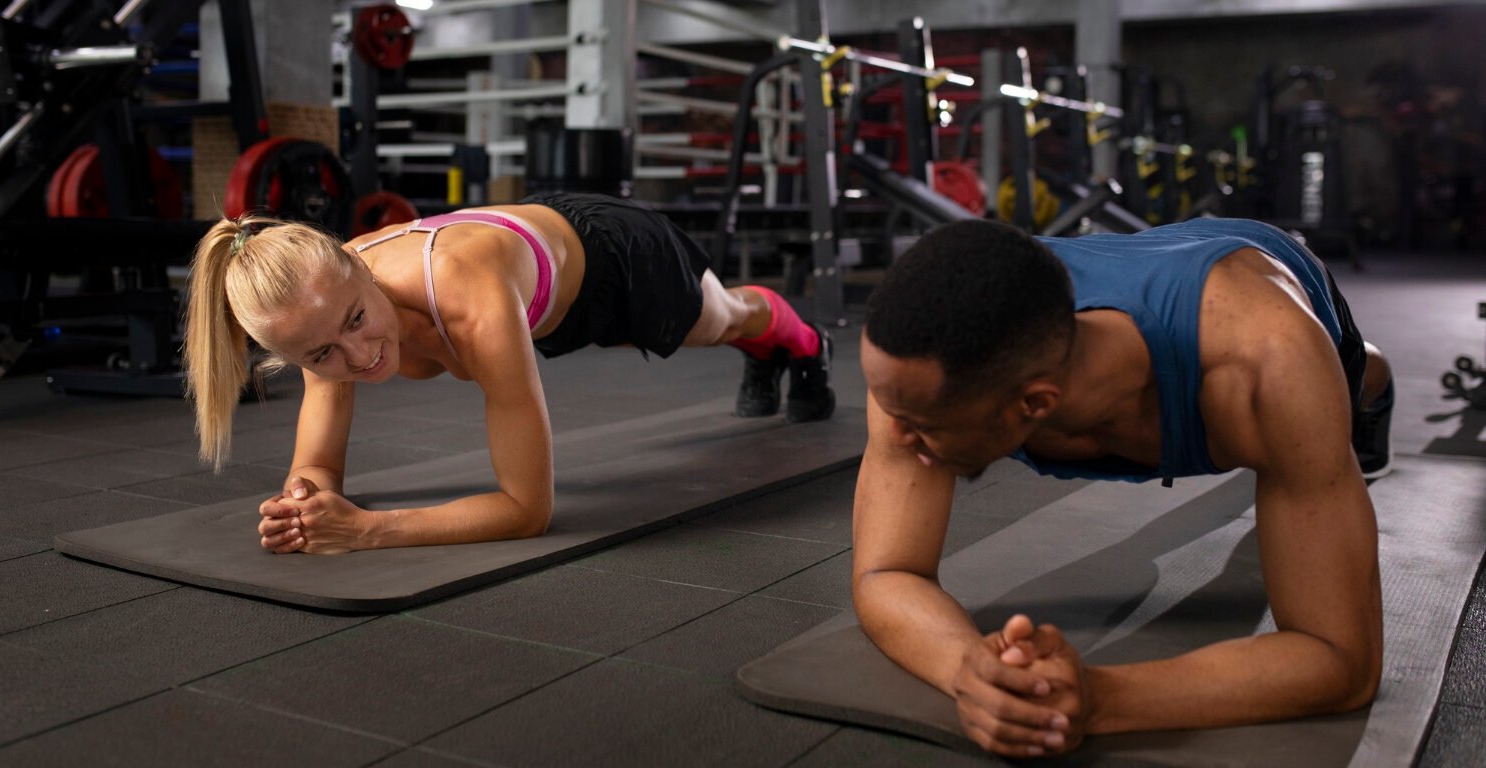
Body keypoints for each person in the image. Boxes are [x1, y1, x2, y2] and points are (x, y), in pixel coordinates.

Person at [853, 217, 1392, 757]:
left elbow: (1343, 659)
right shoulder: (922, 369)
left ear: (1035, 405)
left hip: (1262, 283)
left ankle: (1376, 375)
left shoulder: (1268, 364)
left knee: (1335, 397)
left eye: (916, 421)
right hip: (1131, 277)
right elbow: (886, 572)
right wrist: (972, 670)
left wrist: (1100, 697)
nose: (893, 432)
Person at [184, 192, 834, 555]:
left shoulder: (466, 296)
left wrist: (365, 530)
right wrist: (305, 503)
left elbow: (528, 511)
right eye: (319, 357)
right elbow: (319, 464)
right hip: (531, 275)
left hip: (615, 257)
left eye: (357, 321)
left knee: (722, 319)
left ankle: (802, 345)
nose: (355, 360)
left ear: (363, 268)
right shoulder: (320, 311)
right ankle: (769, 349)